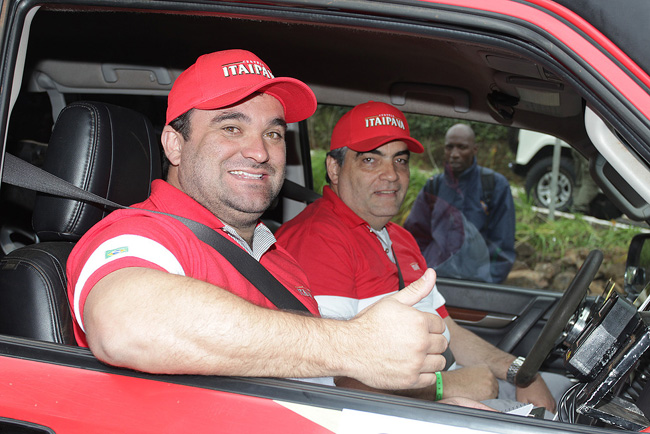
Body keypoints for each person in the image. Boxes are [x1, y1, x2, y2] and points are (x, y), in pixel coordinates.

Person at [65, 50, 450, 391]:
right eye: (231, 128)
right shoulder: (143, 233)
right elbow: (128, 324)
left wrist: (437, 395)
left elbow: (313, 376)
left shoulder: (274, 253)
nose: (259, 152)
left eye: (274, 133)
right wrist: (355, 344)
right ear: (174, 144)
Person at [276, 101, 565, 412]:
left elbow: (448, 330)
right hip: (395, 413)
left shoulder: (399, 237)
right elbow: (327, 379)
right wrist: (444, 387)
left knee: (565, 394)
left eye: (400, 161)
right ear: (334, 168)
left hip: (437, 396)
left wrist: (519, 372)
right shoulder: (316, 242)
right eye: (371, 161)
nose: (391, 176)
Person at [404, 123, 516, 283]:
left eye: (462, 147)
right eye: (449, 147)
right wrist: (421, 276)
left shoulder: (495, 185)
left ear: (474, 149)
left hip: (477, 286)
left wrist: (488, 284)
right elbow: (413, 236)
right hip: (433, 284)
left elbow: (503, 244)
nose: (454, 154)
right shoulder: (433, 186)